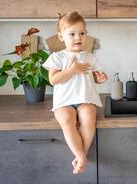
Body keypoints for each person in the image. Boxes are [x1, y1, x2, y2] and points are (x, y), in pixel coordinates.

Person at [43, 11, 108, 174]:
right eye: (72, 34)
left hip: (85, 98)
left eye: (82, 33)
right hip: (64, 101)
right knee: (66, 119)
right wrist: (72, 69)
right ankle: (82, 156)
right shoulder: (57, 57)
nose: (78, 37)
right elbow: (53, 80)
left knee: (89, 117)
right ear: (61, 36)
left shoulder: (90, 57)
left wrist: (99, 78)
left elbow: (95, 78)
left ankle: (81, 156)